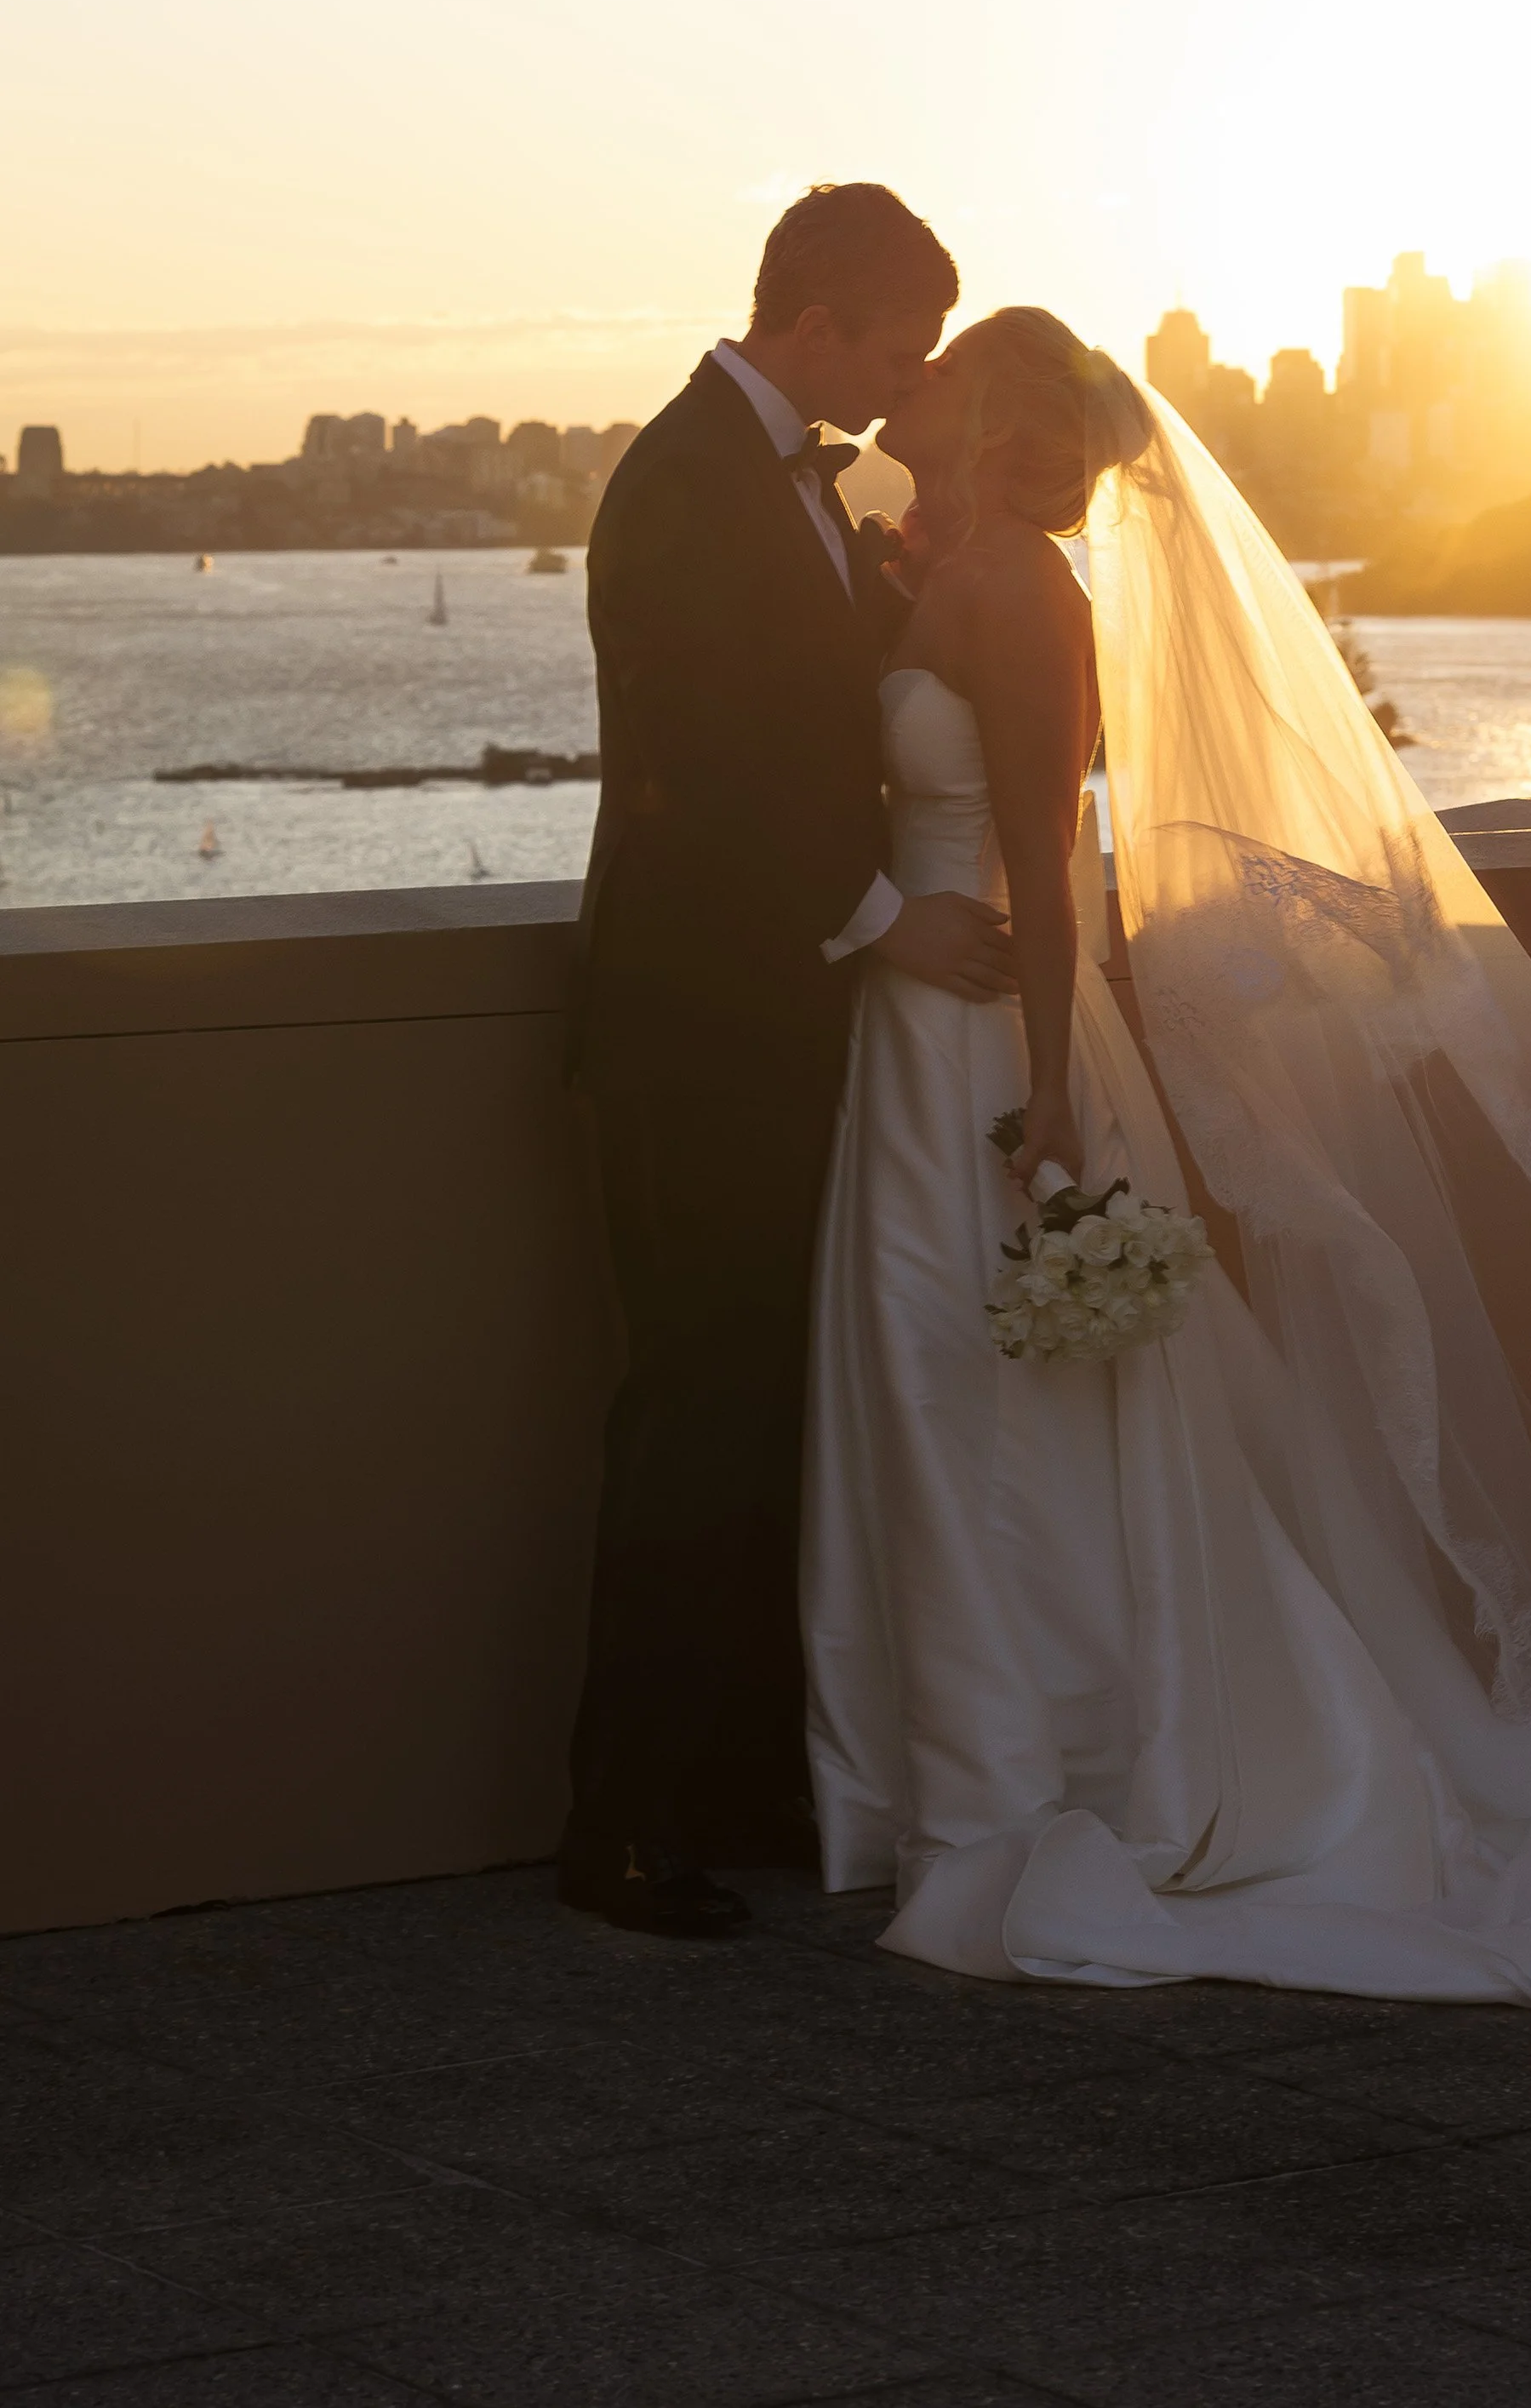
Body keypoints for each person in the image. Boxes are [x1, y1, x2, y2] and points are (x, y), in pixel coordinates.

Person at [803, 305, 1531, 2005]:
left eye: (933, 366)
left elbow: (1054, 858)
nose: (901, 381)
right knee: (928, 1376)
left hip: (998, 1024)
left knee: (1011, 1387)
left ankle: (1076, 1756)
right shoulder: (940, 561)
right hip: (907, 1034)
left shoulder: (1028, 593)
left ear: (985, 404)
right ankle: (950, 1753)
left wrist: (1057, 1085)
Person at [562, 185, 1014, 1939]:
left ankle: (735, 1775)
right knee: (691, 1414)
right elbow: (700, 768)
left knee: (764, 1412)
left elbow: (806, 727)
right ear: (816, 318)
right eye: (897, 346)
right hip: (695, 1030)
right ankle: (617, 1826)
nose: (904, 387)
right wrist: (878, 912)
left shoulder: (806, 492)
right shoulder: (680, 481)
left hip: (781, 1028)